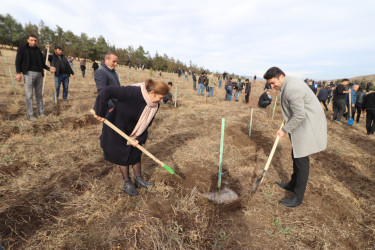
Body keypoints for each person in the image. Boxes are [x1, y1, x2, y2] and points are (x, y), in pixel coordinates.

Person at [93, 79, 169, 196]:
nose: (161, 100)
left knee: (136, 153)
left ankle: (139, 180)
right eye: (160, 97)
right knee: (122, 156)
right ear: (152, 93)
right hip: (117, 128)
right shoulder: (133, 92)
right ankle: (127, 183)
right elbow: (106, 91)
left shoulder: (154, 105)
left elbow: (147, 123)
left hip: (135, 131)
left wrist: (139, 138)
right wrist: (100, 112)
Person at [263, 67, 327, 208]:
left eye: (273, 83)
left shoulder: (292, 88)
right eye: (270, 85)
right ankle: (293, 184)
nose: (272, 87)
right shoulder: (288, 82)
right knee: (295, 154)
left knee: (301, 160)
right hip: (301, 123)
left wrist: (284, 129)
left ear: (281, 76)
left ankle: (298, 197)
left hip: (307, 124)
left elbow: (299, 115)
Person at [15, 34, 56, 120]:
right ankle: (30, 114)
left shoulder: (38, 50)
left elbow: (42, 63)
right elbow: (18, 61)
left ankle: (41, 112)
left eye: (35, 40)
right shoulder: (22, 48)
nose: (34, 42)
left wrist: (49, 68)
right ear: (28, 40)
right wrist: (18, 73)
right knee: (29, 95)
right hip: (28, 73)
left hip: (39, 74)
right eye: (32, 40)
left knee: (39, 95)